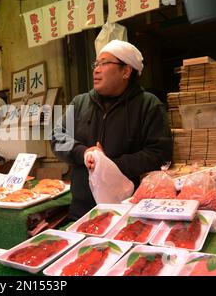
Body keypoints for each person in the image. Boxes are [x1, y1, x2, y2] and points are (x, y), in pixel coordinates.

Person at [51, 39, 173, 221]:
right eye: (96, 64)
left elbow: (160, 154)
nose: (96, 69)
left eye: (105, 63)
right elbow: (57, 137)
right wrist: (83, 153)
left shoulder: (148, 105)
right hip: (82, 210)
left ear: (126, 71)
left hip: (130, 210)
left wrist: (110, 164)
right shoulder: (79, 103)